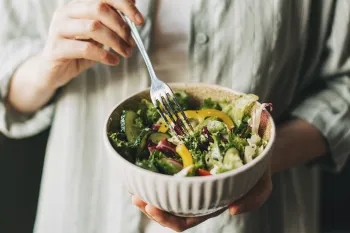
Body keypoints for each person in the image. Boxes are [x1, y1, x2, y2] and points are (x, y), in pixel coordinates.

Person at [0, 0, 349, 232]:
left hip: (257, 219)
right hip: (88, 208)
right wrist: (51, 65)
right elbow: (7, 66)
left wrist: (257, 164)